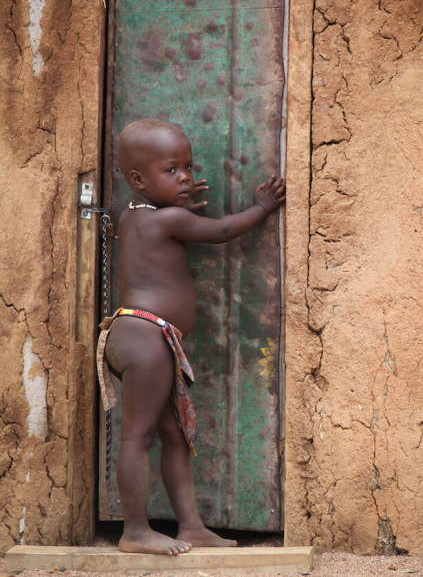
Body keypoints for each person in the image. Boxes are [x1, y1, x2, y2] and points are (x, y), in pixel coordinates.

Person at [96, 118, 285, 556]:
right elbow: (220, 232)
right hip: (147, 339)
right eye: (172, 170)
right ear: (139, 179)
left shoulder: (135, 215)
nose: (185, 178)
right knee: (136, 437)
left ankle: (192, 526)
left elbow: (165, 233)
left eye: (189, 166)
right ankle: (136, 531)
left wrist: (175, 207)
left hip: (143, 336)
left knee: (174, 435)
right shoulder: (169, 220)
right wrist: (261, 207)